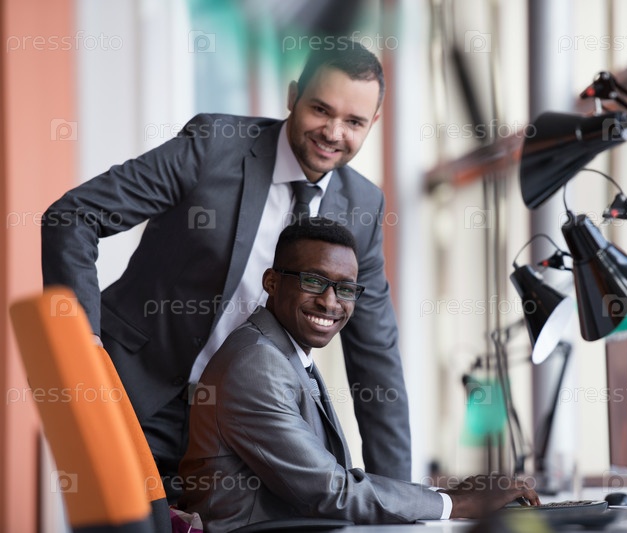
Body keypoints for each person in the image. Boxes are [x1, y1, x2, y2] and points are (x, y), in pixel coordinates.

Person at [41, 41, 410, 501]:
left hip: (243, 430)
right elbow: (74, 215)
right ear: (293, 96)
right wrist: (80, 345)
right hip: (135, 395)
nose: (333, 132)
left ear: (373, 122)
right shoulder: (214, 145)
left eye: (353, 122)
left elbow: (376, 358)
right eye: (320, 109)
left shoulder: (363, 206)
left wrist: (402, 501)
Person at [178, 219, 539, 531]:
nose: (330, 301)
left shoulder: (281, 352)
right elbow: (331, 491)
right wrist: (457, 504)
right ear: (272, 282)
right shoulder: (257, 364)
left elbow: (333, 485)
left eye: (345, 288)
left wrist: (447, 495)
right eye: (313, 281)